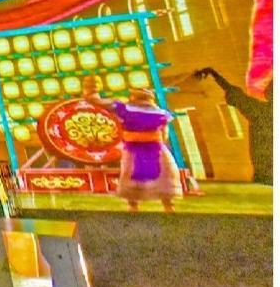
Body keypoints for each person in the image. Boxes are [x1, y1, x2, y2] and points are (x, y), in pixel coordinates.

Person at [84, 78, 182, 212]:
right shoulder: (159, 113)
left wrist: (91, 89)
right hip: (153, 148)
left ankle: (135, 206)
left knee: (135, 176)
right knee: (161, 176)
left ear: (133, 97)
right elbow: (165, 133)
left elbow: (96, 101)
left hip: (137, 148)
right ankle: (166, 205)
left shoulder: (127, 109)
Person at [195, 67, 272, 185]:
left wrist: (214, 74)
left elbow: (234, 93)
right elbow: (235, 94)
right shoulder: (258, 110)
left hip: (265, 174)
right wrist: (214, 74)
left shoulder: (259, 111)